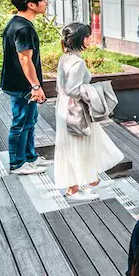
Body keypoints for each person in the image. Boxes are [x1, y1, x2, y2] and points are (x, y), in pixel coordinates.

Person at [54, 22, 125, 202]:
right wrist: (96, 90)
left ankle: (91, 180)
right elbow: (73, 89)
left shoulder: (66, 57)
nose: (90, 39)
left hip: (65, 106)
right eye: (87, 36)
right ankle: (73, 189)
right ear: (81, 39)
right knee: (76, 146)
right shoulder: (77, 62)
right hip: (75, 109)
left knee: (83, 143)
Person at [1, 0, 49, 175]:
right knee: (20, 122)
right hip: (22, 85)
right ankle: (17, 163)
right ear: (31, 4)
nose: (45, 4)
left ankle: (30, 157)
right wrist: (35, 86)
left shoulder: (17, 23)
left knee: (30, 120)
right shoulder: (23, 28)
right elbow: (25, 59)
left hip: (21, 84)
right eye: (43, 1)